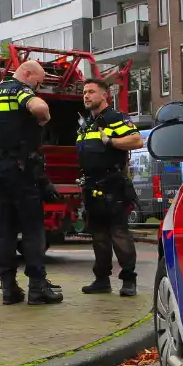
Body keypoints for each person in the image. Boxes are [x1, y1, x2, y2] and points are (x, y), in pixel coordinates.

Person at [0, 60, 63, 306]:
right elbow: (38, 106)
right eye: (37, 82)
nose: (37, 87)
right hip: (22, 167)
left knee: (4, 230)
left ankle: (8, 287)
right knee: (32, 229)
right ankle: (37, 288)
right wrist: (44, 117)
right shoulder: (19, 90)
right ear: (27, 74)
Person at [76, 78, 144, 297]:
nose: (86, 96)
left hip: (113, 186)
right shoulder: (86, 123)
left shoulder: (116, 118)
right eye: (84, 92)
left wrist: (112, 142)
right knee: (98, 237)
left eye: (91, 92)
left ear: (104, 95)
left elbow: (136, 140)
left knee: (119, 233)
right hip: (92, 187)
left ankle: (128, 281)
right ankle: (102, 280)